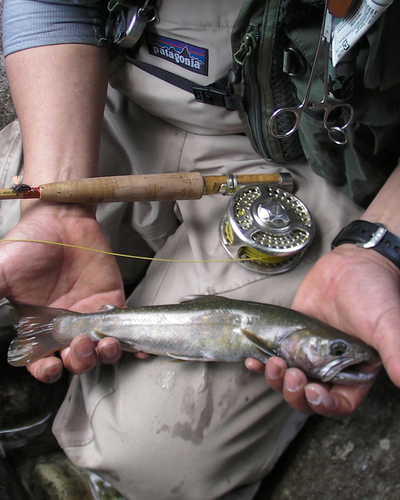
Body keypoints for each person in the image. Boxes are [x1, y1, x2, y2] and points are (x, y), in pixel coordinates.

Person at [0, 0, 399, 498]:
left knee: (155, 461)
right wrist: (57, 204)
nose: (339, 354)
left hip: (318, 168)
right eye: (334, 349)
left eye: (336, 351)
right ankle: (28, 378)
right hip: (98, 100)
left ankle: (42, 385)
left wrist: (379, 246)